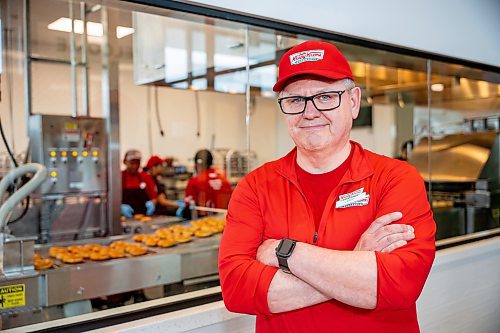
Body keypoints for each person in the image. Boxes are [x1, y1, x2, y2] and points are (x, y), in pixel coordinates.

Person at [218, 41, 436, 332]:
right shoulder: (254, 188)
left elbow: (398, 284)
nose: (309, 113)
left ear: (354, 102)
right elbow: (237, 291)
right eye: (295, 100)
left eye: (325, 96)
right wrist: (356, 265)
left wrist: (288, 253)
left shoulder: (396, 178)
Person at [121, 149, 157, 218]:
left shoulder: (146, 177)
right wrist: (119, 208)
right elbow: (111, 200)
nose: (135, 166)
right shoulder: (119, 177)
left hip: (145, 216)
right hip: (125, 217)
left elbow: (154, 197)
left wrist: (152, 204)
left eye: (138, 163)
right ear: (125, 162)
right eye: (132, 163)